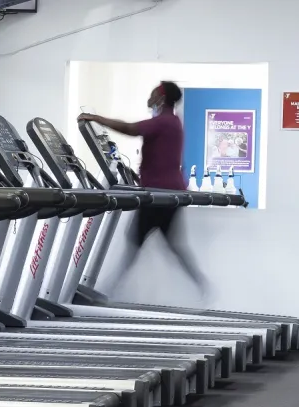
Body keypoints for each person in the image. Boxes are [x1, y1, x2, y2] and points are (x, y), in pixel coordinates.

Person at [79, 81, 208, 296]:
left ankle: (110, 291)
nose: (150, 96)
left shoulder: (165, 122)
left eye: (153, 93)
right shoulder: (173, 122)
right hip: (166, 192)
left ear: (161, 97)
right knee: (170, 244)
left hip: (159, 194)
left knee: (135, 240)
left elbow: (130, 128)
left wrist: (96, 118)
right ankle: (202, 286)